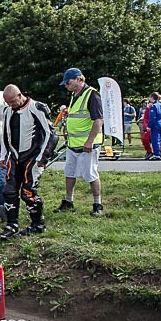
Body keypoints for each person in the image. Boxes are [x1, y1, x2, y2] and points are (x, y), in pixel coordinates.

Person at [0, 84, 58, 239]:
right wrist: (3, 156)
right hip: (14, 156)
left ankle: (38, 224)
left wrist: (43, 158)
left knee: (28, 192)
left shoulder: (36, 107)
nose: (11, 105)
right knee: (9, 191)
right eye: (8, 103)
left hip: (33, 156)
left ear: (20, 95)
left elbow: (51, 134)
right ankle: (11, 225)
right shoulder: (7, 111)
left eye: (12, 101)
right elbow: (5, 135)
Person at [55, 68, 105, 217]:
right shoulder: (74, 95)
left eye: (68, 83)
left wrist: (90, 141)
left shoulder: (92, 95)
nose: (66, 86)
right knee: (69, 172)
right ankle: (68, 201)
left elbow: (98, 120)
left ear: (79, 79)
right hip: (73, 144)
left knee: (90, 174)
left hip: (88, 145)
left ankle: (98, 204)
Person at [146, 92, 161, 160]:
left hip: (155, 124)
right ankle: (158, 152)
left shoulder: (153, 106)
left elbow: (152, 118)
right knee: (159, 139)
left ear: (152, 97)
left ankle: (156, 154)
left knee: (155, 140)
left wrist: (149, 126)